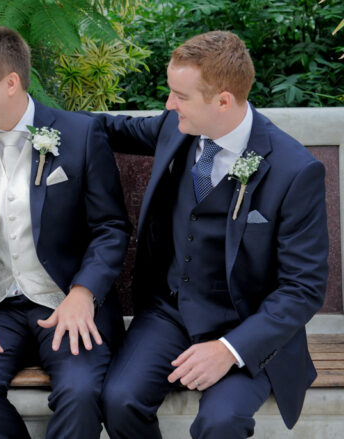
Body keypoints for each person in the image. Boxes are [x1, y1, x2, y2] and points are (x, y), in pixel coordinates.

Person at [92, 31, 328, 438]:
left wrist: (229, 350)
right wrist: (31, 116)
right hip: (171, 311)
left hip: (248, 323)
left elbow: (302, 288)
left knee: (221, 423)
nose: (168, 105)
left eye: (180, 96)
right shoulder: (175, 127)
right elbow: (112, 128)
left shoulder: (295, 171)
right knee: (118, 400)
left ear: (222, 100)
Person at [0, 26, 130, 439]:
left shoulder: (79, 135)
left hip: (66, 302)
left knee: (81, 392)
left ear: (11, 83)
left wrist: (84, 293)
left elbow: (111, 228)